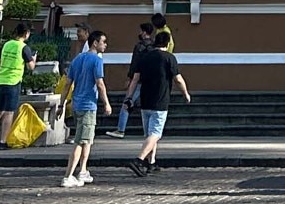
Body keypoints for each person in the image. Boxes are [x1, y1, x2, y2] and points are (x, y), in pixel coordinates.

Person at [125, 30, 190, 177]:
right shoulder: (169, 58)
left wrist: (129, 97)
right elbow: (178, 79)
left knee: (148, 133)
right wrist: (185, 94)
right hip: (160, 101)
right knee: (155, 133)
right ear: (167, 43)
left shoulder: (145, 57)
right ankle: (139, 160)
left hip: (145, 99)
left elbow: (135, 79)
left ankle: (151, 163)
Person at [61, 31, 111, 187]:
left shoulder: (77, 59)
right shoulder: (96, 60)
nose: (105, 45)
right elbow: (100, 83)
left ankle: (83, 170)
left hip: (77, 104)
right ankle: (68, 175)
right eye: (103, 41)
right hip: (88, 105)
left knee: (87, 140)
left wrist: (62, 104)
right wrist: (107, 103)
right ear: (95, 43)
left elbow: (67, 84)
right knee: (80, 141)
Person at [0, 23, 36, 150]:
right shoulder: (24, 48)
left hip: (0, 81)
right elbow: (30, 67)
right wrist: (34, 59)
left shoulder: (6, 45)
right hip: (13, 82)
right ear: (26, 34)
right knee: (9, 112)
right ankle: (2, 141)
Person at [105, 22, 154, 138]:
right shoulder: (154, 46)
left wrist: (130, 78)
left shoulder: (139, 46)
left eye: (141, 31)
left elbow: (135, 64)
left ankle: (121, 129)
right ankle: (150, 132)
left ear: (144, 32)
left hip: (138, 80)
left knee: (127, 103)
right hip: (151, 80)